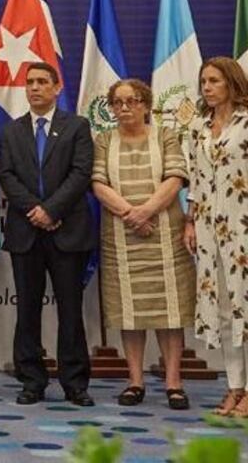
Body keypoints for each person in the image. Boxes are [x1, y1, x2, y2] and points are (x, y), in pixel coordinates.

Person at [91, 78, 194, 410]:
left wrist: (146, 211)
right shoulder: (104, 140)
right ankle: (134, 381)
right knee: (130, 312)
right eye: (118, 103)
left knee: (169, 312)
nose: (125, 108)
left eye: (133, 101)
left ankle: (174, 383)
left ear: (147, 105)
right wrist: (130, 213)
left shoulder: (166, 135)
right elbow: (98, 184)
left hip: (165, 235)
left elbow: (176, 178)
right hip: (121, 238)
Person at [0, 62, 95, 406]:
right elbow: (6, 176)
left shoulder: (77, 126)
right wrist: (34, 211)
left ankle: (75, 383)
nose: (35, 88)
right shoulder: (12, 130)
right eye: (30, 83)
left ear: (57, 87)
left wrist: (52, 210)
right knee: (27, 310)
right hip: (26, 231)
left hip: (67, 230)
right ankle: (32, 380)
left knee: (70, 309)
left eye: (42, 82)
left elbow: (81, 173)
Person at [184, 58, 248, 417]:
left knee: (247, 309)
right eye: (203, 81)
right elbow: (195, 182)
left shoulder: (247, 122)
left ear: (232, 83)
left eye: (214, 81)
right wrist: (191, 222)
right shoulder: (198, 127)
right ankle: (234, 387)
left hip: (244, 226)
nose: (207, 87)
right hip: (210, 230)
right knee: (224, 310)